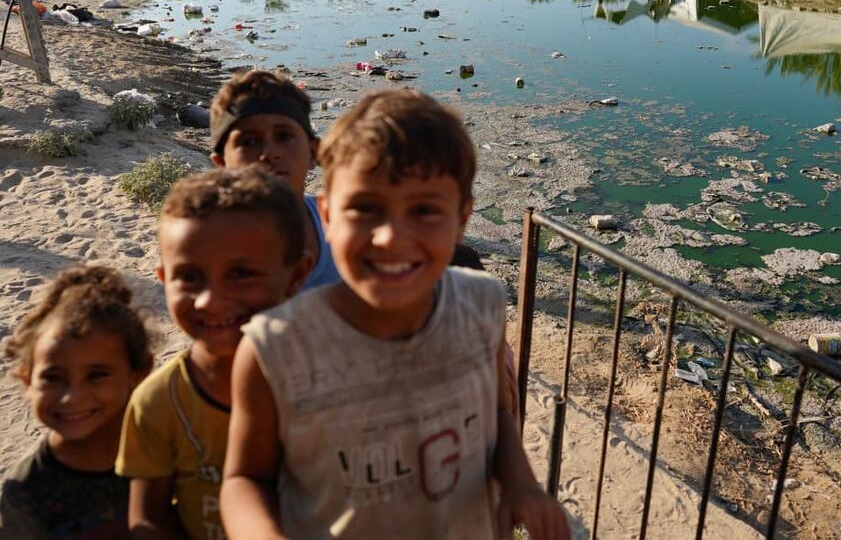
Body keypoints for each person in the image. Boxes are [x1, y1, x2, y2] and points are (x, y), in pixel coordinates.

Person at [220, 88, 567, 540]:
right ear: (327, 215)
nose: (390, 238)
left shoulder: (483, 303)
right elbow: (245, 479)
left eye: (424, 210)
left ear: (462, 219)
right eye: (365, 208)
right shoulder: (276, 347)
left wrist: (522, 483)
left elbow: (497, 412)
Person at [116, 168, 311, 539]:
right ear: (163, 277)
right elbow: (148, 517)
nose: (211, 299)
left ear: (297, 274)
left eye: (241, 274)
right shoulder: (159, 403)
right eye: (189, 277)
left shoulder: (334, 377)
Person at [209, 69, 484, 292]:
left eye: (284, 137)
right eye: (248, 141)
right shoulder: (207, 244)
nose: (269, 154)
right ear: (220, 164)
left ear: (314, 152)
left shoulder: (345, 220)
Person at [0, 265, 153, 538]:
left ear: (138, 374)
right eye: (53, 377)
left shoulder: (167, 453)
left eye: (96, 375)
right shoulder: (26, 493)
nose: (72, 397)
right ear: (27, 381)